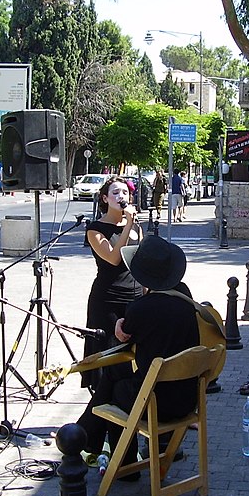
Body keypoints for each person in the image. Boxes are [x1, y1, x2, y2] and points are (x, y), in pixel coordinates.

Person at [77, 236, 199, 475]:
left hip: (157, 402)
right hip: (187, 397)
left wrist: (121, 323)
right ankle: (88, 435)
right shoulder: (186, 298)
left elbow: (125, 338)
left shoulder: (141, 308)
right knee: (116, 373)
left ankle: (124, 465)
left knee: (115, 389)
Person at [83, 176, 144, 389]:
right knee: (107, 357)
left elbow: (140, 262)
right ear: (105, 198)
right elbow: (114, 259)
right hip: (108, 299)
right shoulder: (95, 229)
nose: (121, 197)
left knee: (132, 355)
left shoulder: (137, 227)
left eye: (125, 193)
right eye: (116, 193)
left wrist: (147, 293)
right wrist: (127, 226)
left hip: (134, 296)